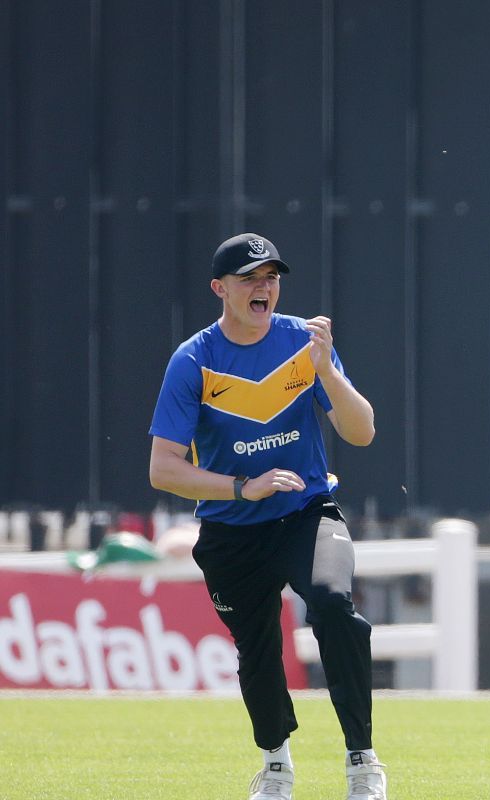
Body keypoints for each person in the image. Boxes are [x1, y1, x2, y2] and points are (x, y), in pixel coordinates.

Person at [148, 233, 387, 800]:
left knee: (332, 602)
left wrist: (327, 371)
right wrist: (241, 487)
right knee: (257, 651)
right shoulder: (194, 360)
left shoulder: (306, 344)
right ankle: (277, 766)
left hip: (306, 512)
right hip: (232, 528)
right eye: (250, 277)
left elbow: (362, 432)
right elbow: (163, 469)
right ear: (219, 289)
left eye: (272, 276)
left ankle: (362, 762)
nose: (264, 287)